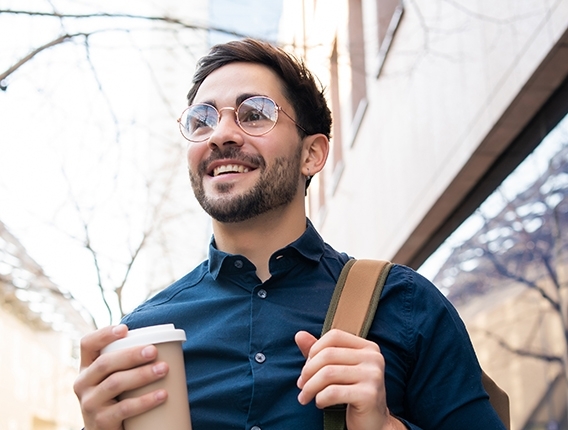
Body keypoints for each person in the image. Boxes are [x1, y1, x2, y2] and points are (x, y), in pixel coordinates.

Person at [73, 38, 506, 430]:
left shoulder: (408, 305)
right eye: (202, 120)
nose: (221, 133)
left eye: (254, 114)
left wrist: (385, 427)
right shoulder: (142, 338)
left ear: (312, 154)